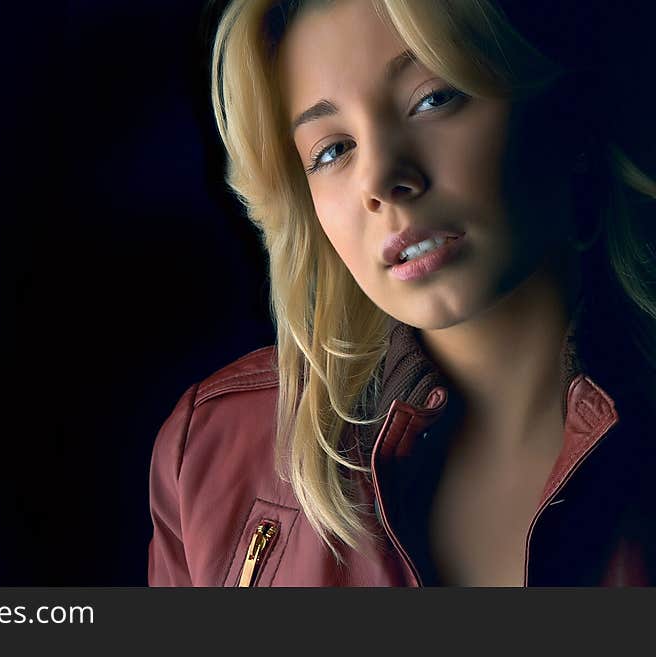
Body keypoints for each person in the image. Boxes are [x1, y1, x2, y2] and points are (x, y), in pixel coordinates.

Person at [147, 0, 656, 586]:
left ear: (562, 102)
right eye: (332, 150)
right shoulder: (209, 452)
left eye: (433, 98)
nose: (382, 179)